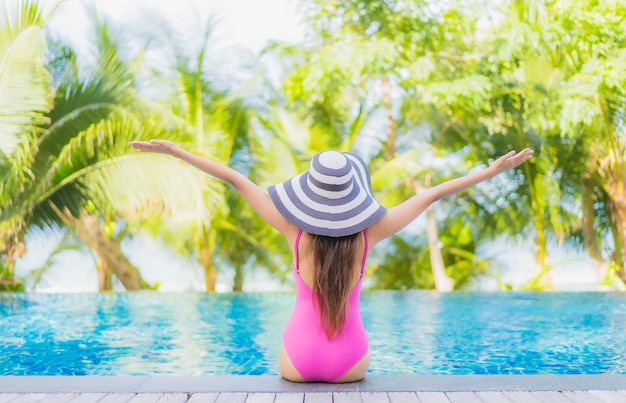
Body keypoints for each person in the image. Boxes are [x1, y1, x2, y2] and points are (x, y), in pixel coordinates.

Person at [129, 139, 533, 383]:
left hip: (297, 362)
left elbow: (236, 179)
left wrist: (177, 153)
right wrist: (489, 172)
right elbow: (429, 196)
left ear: (311, 191)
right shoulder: (369, 233)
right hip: (351, 363)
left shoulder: (293, 230)